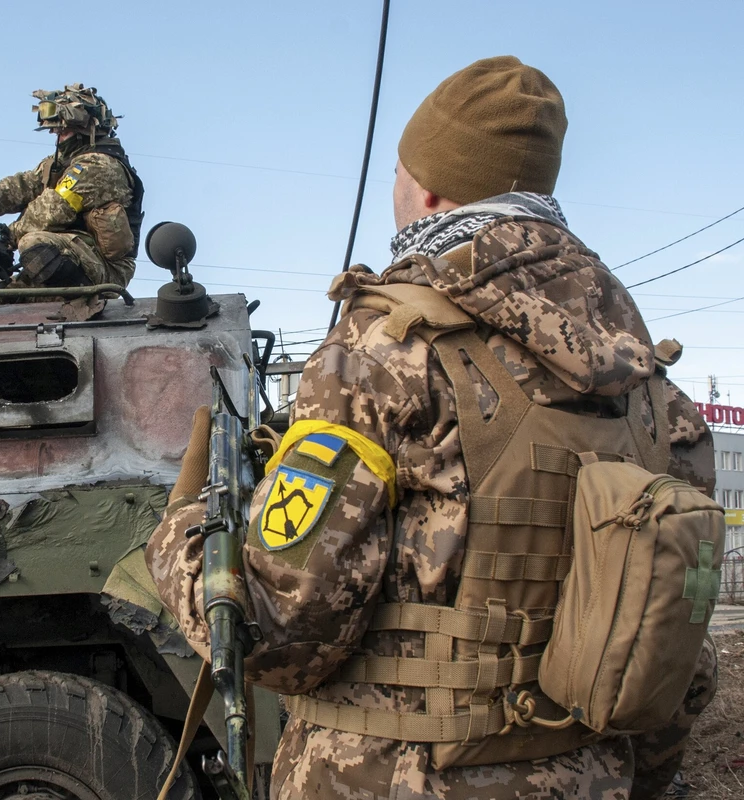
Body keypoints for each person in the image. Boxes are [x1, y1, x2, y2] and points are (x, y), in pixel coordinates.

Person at [146, 56, 717, 799]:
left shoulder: (381, 351)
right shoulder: (649, 388)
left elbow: (276, 633)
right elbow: (676, 655)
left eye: (397, 171)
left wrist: (180, 536)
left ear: (430, 188)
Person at [0, 83, 143, 291]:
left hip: (104, 269)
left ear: (85, 129)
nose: (57, 137)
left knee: (33, 242)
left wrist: (6, 241)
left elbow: (53, 209)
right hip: (68, 253)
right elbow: (19, 187)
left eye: (63, 131)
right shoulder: (61, 163)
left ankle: (76, 299)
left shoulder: (99, 166)